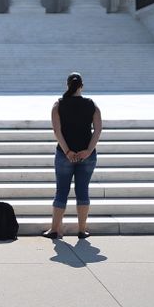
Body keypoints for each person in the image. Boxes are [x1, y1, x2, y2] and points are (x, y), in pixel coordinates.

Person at [42, 72, 102, 240]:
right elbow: (98, 130)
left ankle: (55, 229)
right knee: (83, 191)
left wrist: (67, 151)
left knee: (61, 191)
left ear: (67, 85)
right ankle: (82, 230)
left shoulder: (58, 104)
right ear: (82, 85)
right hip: (87, 155)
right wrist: (88, 151)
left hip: (64, 155)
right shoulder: (92, 105)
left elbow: (57, 131)